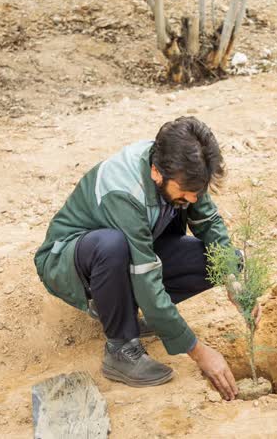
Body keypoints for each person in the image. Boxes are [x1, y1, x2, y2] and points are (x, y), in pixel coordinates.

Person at [34, 116, 252, 400]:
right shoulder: (125, 191)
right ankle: (120, 348)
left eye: (197, 192)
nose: (193, 198)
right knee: (112, 245)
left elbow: (209, 223)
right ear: (156, 173)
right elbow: (146, 276)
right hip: (69, 261)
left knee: (220, 259)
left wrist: (233, 282)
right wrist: (199, 352)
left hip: (133, 250)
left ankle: (128, 312)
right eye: (186, 192)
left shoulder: (185, 167)